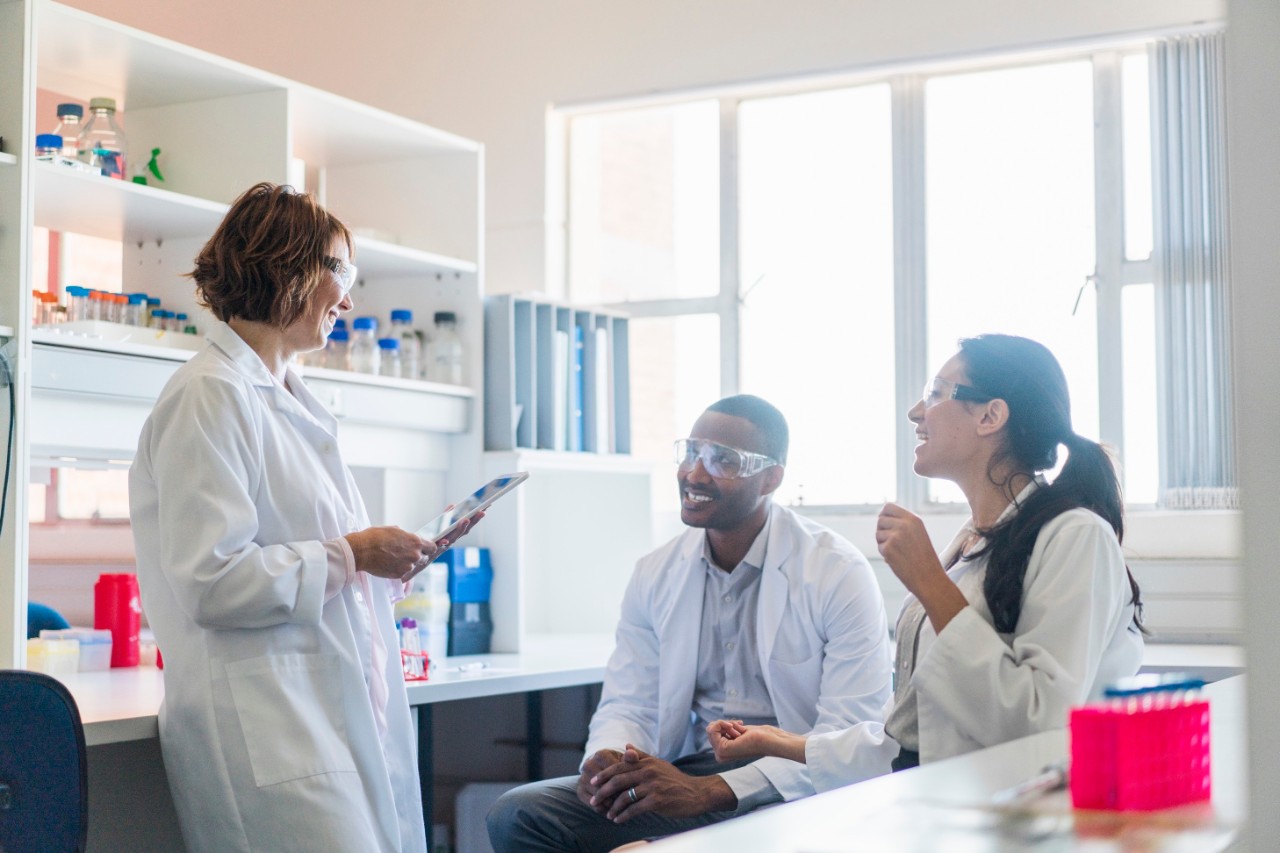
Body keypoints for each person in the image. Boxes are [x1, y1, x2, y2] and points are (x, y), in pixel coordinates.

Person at [129, 182, 471, 852]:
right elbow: (213, 582)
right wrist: (352, 555)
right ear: (285, 266)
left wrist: (381, 562)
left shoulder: (292, 396)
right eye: (339, 272)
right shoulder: (211, 395)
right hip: (264, 727)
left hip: (318, 715)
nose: (349, 299)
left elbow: (314, 556)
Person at [708, 335, 1144, 791]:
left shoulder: (1076, 535)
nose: (916, 412)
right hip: (936, 804)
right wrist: (781, 742)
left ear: (991, 415)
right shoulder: (972, 542)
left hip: (1018, 822)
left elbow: (1036, 723)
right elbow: (908, 742)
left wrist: (930, 583)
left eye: (936, 394)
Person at [487, 394, 892, 851]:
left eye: (724, 460)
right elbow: (630, 703)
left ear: (771, 478)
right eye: (692, 453)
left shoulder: (836, 571)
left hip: (799, 784)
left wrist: (710, 793)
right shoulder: (656, 572)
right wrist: (609, 763)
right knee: (521, 815)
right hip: (692, 774)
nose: (695, 474)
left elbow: (849, 735)